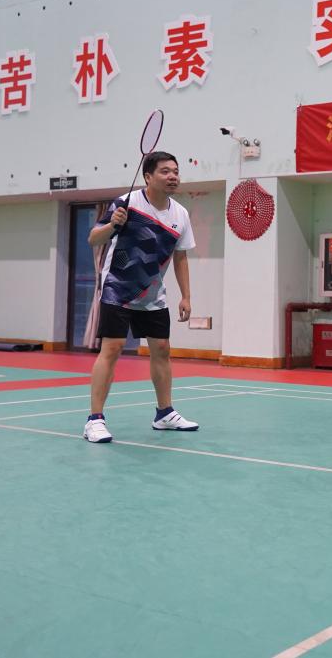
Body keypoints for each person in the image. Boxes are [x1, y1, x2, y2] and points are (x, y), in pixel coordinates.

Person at [84, 151, 198, 443]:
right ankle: (94, 420)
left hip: (152, 294)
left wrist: (186, 296)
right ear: (148, 176)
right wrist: (113, 225)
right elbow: (94, 239)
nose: (173, 176)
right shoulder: (126, 203)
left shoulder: (181, 214)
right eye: (165, 171)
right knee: (112, 348)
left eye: (175, 171)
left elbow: (180, 257)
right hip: (118, 289)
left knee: (161, 349)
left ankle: (164, 414)